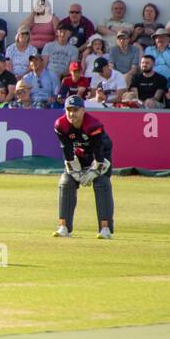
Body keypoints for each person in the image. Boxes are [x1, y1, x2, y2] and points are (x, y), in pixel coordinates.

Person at [53, 95, 113, 239]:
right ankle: (64, 227)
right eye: (69, 110)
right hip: (78, 159)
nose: (72, 113)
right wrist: (74, 171)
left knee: (102, 183)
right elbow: (66, 150)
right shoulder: (61, 125)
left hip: (101, 158)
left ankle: (105, 229)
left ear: (83, 110)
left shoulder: (93, 126)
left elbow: (99, 153)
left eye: (76, 110)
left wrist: (94, 171)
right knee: (66, 182)